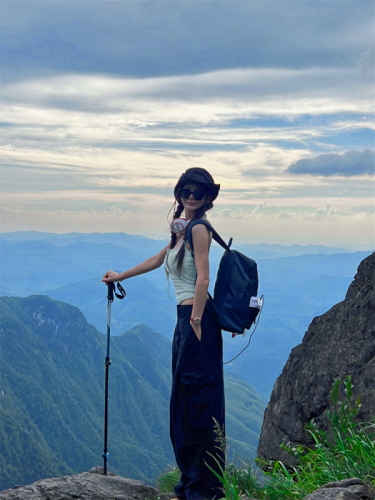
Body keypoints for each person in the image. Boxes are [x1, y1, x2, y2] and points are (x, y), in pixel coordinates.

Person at [102, 167, 225, 500]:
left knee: (199, 403)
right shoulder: (180, 230)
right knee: (184, 403)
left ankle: (205, 488)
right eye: (185, 190)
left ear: (207, 198)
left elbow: (203, 278)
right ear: (178, 192)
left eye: (198, 192)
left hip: (196, 321)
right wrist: (120, 275)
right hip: (185, 321)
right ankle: (191, 480)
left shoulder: (199, 229)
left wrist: (197, 320)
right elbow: (159, 260)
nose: (190, 196)